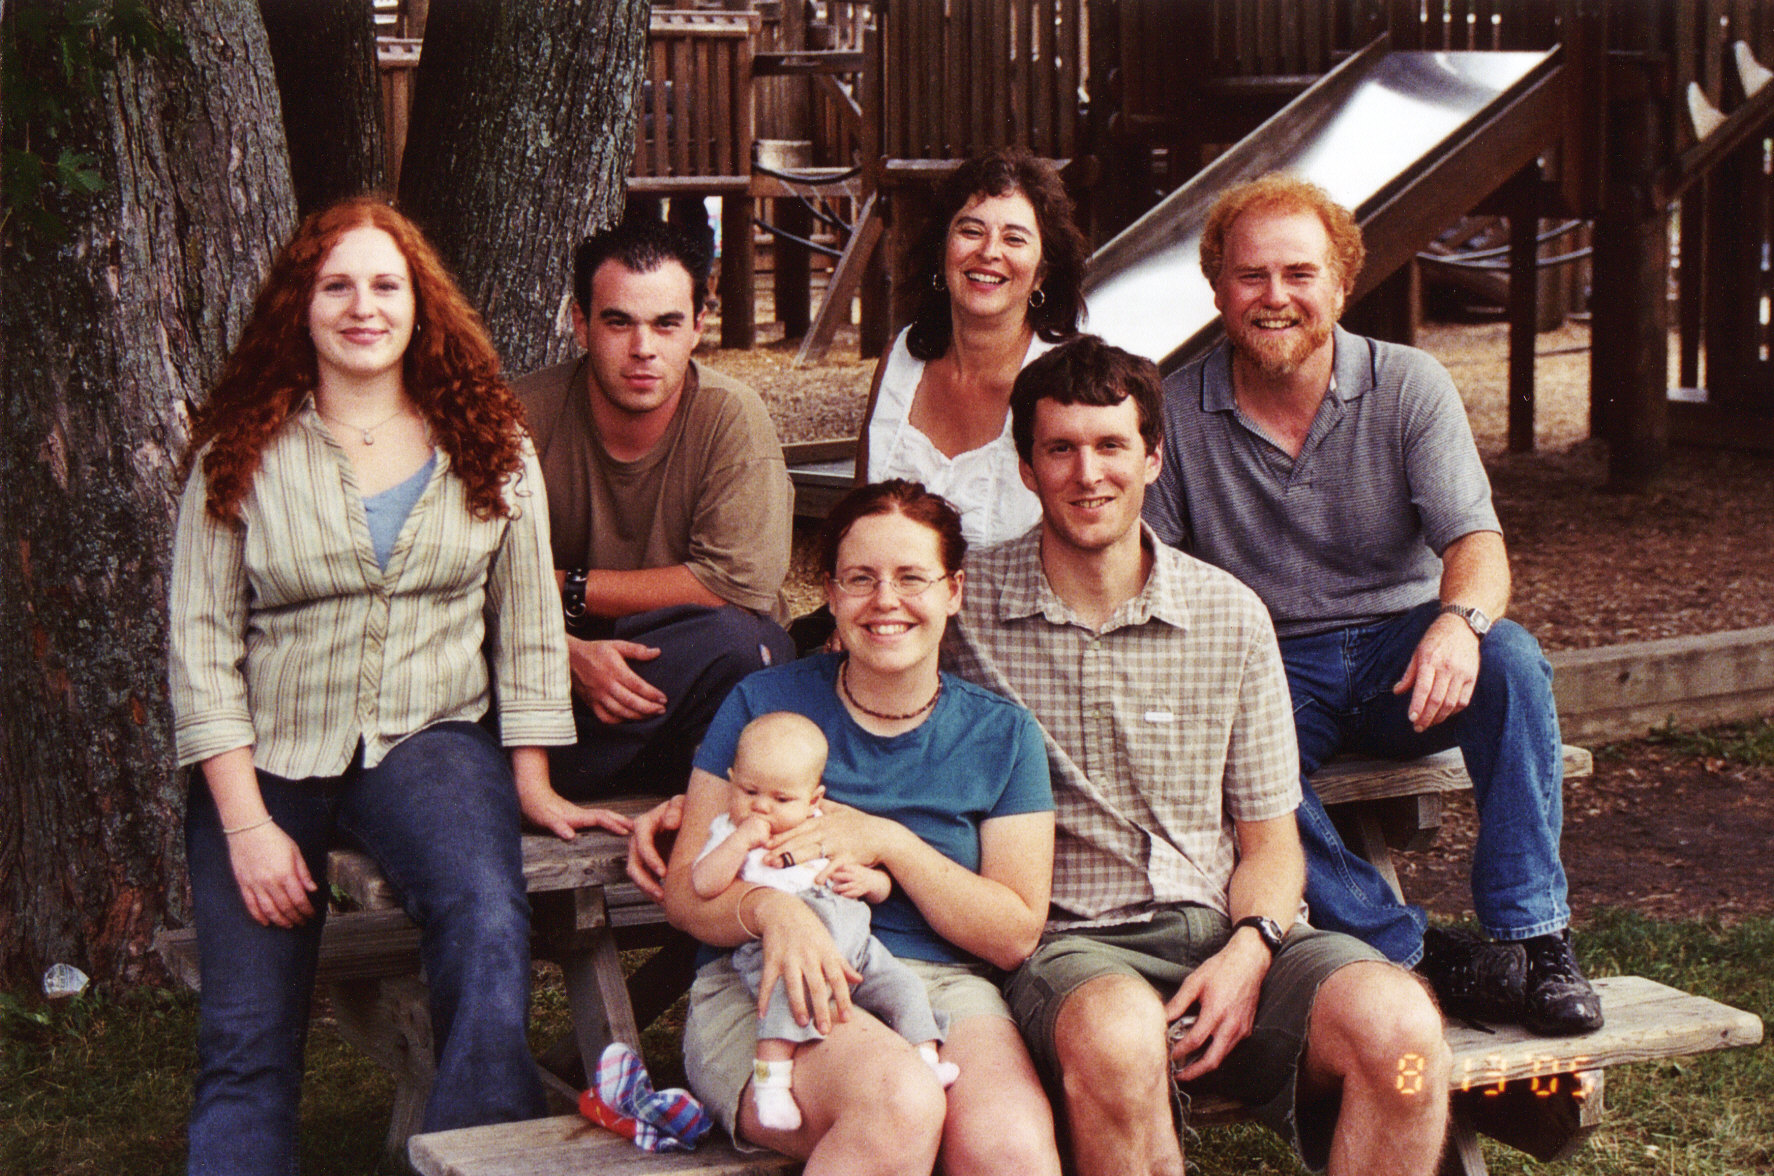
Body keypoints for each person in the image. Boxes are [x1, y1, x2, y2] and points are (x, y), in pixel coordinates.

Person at [168, 196, 629, 1176]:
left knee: (486, 916)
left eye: (386, 285)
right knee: (247, 1034)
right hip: (270, 753)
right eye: (337, 285)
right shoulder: (237, 455)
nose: (362, 306)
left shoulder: (490, 446)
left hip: (428, 741)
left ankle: (476, 1155)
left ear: (421, 306)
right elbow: (200, 649)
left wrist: (534, 780)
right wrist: (247, 829)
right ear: (301, 305)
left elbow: (530, 629)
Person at [945, 334, 1452, 1176]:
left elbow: (1271, 841)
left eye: (1111, 446)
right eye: (1060, 450)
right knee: (1117, 1038)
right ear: (1026, 467)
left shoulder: (1231, 616)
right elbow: (850, 673)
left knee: (1404, 1043)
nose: (1087, 473)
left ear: (1153, 459)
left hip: (1235, 934)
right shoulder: (964, 612)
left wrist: (1251, 949)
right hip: (1074, 951)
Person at [1142, 173, 1601, 1036]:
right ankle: (1417, 952)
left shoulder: (1407, 384)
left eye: (1299, 274)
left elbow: (1477, 545)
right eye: (1251, 277)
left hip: (1404, 647)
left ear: (1342, 284)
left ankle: (1534, 939)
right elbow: (1156, 576)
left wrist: (1459, 625)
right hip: (1269, 664)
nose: (1275, 298)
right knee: (1215, 751)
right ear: (1217, 289)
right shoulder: (1175, 410)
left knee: (1511, 663)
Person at [662, 481, 1062, 1176]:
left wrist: (889, 843)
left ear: (954, 590)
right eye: (860, 579)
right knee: (899, 1103)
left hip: (937, 989)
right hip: (766, 988)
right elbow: (685, 897)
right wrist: (770, 912)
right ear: (832, 593)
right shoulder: (764, 704)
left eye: (913, 578)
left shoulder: (1003, 734)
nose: (885, 601)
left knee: (1013, 1153)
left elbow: (1014, 932)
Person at [514, 215, 797, 843]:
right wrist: (560, 647)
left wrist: (563, 586)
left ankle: (696, 831)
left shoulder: (730, 417)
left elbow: (736, 583)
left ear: (699, 325)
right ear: (580, 324)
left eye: (667, 323)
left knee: (742, 644)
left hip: (677, 677)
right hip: (550, 682)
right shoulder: (522, 417)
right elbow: (460, 575)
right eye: (619, 322)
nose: (644, 348)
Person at [690, 710, 959, 1132]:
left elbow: (883, 890)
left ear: (813, 800)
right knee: (788, 1001)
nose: (761, 806)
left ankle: (926, 1056)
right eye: (748, 790)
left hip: (853, 941)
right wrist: (740, 842)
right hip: (778, 946)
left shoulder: (827, 826)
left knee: (903, 986)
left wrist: (868, 879)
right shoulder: (729, 831)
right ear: (731, 779)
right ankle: (771, 1083)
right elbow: (703, 883)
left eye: (781, 800)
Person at [859, 147, 1090, 548]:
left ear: (1041, 275)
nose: (988, 252)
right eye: (970, 230)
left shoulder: (1071, 380)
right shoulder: (899, 360)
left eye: (1014, 238)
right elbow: (858, 519)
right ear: (942, 250)